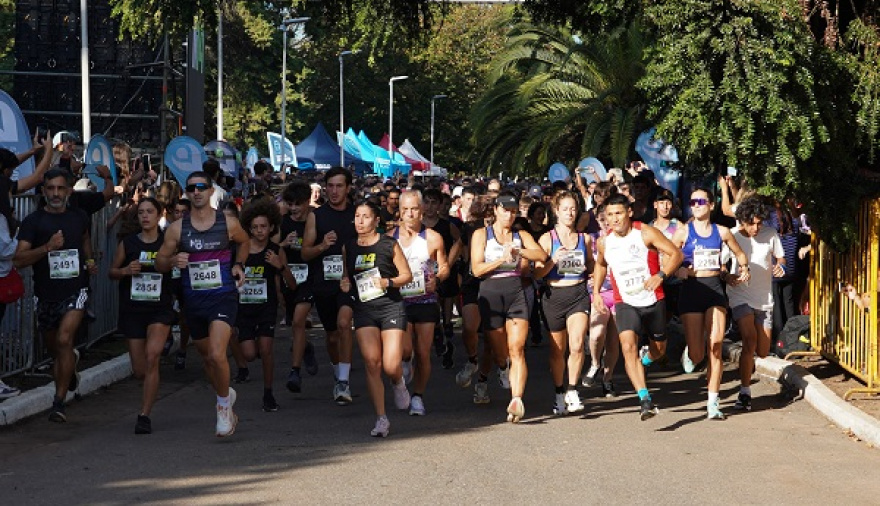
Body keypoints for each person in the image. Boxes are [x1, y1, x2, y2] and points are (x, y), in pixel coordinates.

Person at [156, 171, 250, 437]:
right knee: (209, 359)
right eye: (191, 188)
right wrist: (173, 261)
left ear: (211, 192)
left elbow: (244, 242)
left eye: (201, 187)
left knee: (219, 353)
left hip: (223, 296)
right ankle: (225, 393)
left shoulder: (227, 222)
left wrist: (239, 264)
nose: (196, 192)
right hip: (194, 301)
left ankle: (223, 409)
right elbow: (160, 262)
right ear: (186, 193)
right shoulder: (177, 228)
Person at [14, 168, 98, 422]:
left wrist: (90, 260)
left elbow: (84, 239)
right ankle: (69, 367)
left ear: (69, 190)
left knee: (63, 339)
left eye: (61, 188)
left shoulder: (79, 217)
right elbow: (19, 259)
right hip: (46, 293)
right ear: (43, 191)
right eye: (50, 188)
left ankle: (59, 402)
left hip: (76, 290)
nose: (55, 193)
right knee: (55, 349)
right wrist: (47, 248)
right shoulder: (33, 222)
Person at [591, 194, 683, 421]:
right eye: (610, 215)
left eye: (619, 213)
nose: (614, 219)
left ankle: (647, 360)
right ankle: (645, 399)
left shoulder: (645, 232)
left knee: (659, 350)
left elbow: (676, 254)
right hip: (625, 302)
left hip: (653, 300)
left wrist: (661, 275)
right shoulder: (605, 242)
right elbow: (601, 265)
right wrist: (596, 293)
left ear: (629, 212)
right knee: (628, 347)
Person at [671, 187, 749, 420]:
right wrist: (679, 270)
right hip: (692, 291)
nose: (696, 205)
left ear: (712, 205)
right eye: (692, 201)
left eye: (701, 201)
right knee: (698, 355)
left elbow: (740, 254)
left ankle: (713, 403)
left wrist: (744, 269)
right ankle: (691, 352)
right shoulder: (683, 231)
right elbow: (667, 257)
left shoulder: (722, 232)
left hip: (715, 290)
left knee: (715, 346)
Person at [471, 191, 547, 423]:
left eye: (513, 211)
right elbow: (476, 269)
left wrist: (518, 251)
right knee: (499, 350)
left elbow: (541, 254)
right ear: (495, 210)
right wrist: (500, 260)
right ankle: (501, 367)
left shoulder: (520, 234)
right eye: (505, 210)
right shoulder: (481, 234)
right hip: (491, 293)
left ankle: (516, 399)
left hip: (516, 292)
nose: (509, 215)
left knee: (517, 348)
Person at [340, 200, 413, 436]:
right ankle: (381, 418)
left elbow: (406, 276)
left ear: (376, 220)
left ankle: (398, 382)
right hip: (364, 309)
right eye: (357, 216)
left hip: (390, 306)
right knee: (372, 363)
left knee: (391, 365)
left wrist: (387, 282)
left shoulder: (388, 245)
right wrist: (345, 283)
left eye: (365, 216)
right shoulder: (349, 246)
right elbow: (346, 276)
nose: (360, 221)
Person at [108, 198, 175, 433]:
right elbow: (112, 272)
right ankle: (150, 383)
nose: (145, 216)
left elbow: (177, 267)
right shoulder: (128, 243)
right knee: (139, 370)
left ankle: (144, 415)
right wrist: (125, 271)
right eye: (141, 213)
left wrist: (173, 262)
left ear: (159, 215)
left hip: (160, 308)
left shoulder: (168, 242)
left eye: (150, 212)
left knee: (152, 355)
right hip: (133, 309)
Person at [230, 197, 296, 412]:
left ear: (271, 228)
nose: (259, 231)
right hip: (244, 308)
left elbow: (292, 284)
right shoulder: (242, 251)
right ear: (248, 227)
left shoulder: (275, 250)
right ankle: (252, 348)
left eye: (264, 227)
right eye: (255, 227)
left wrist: (280, 267)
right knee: (249, 354)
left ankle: (268, 394)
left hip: (267, 308)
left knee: (266, 350)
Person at [301, 167, 357, 405]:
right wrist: (323, 245)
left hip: (350, 282)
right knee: (332, 335)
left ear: (348, 188)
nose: (334, 191)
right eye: (330, 186)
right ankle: (338, 370)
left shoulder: (358, 214)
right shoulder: (317, 216)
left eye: (339, 186)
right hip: (324, 282)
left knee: (345, 324)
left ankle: (343, 382)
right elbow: (305, 253)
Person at [535, 191, 593, 415]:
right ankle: (559, 392)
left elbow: (590, 264)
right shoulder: (547, 239)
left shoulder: (584, 238)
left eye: (573, 208)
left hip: (578, 294)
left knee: (577, 344)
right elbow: (537, 274)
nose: (570, 213)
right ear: (556, 211)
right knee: (557, 351)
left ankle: (572, 389)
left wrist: (592, 274)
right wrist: (553, 261)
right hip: (554, 297)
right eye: (565, 209)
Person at [392, 190, 448, 416]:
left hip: (425, 299)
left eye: (414, 209)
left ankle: (418, 396)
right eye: (405, 210)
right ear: (399, 211)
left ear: (422, 209)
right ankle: (406, 362)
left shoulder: (433, 238)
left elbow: (443, 267)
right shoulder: (390, 238)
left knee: (423, 352)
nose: (410, 214)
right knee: (405, 350)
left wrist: (438, 277)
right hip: (399, 300)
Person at [727, 197, 785, 411]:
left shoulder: (770, 234)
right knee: (749, 339)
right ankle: (744, 392)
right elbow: (723, 266)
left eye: (759, 223)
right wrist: (728, 278)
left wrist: (781, 267)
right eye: (751, 223)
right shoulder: (732, 237)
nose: (756, 227)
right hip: (740, 295)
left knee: (761, 351)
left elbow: (781, 258)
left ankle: (747, 364)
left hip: (764, 299)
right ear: (742, 220)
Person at [278, 181, 319, 393]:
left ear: (307, 202)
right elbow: (272, 245)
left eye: (297, 204)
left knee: (298, 321)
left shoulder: (315, 220)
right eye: (290, 204)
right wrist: (283, 244)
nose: (293, 208)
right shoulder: (283, 222)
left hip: (310, 277)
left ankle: (294, 372)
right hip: (288, 276)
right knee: (296, 324)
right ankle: (307, 348)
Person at [422, 189, 461, 370]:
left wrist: (449, 263)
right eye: (426, 202)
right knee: (432, 305)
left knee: (445, 301)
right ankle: (440, 338)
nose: (429, 207)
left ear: (439, 206)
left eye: (433, 203)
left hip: (443, 270)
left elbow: (458, 243)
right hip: (423, 272)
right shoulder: (417, 226)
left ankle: (445, 333)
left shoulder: (446, 225)